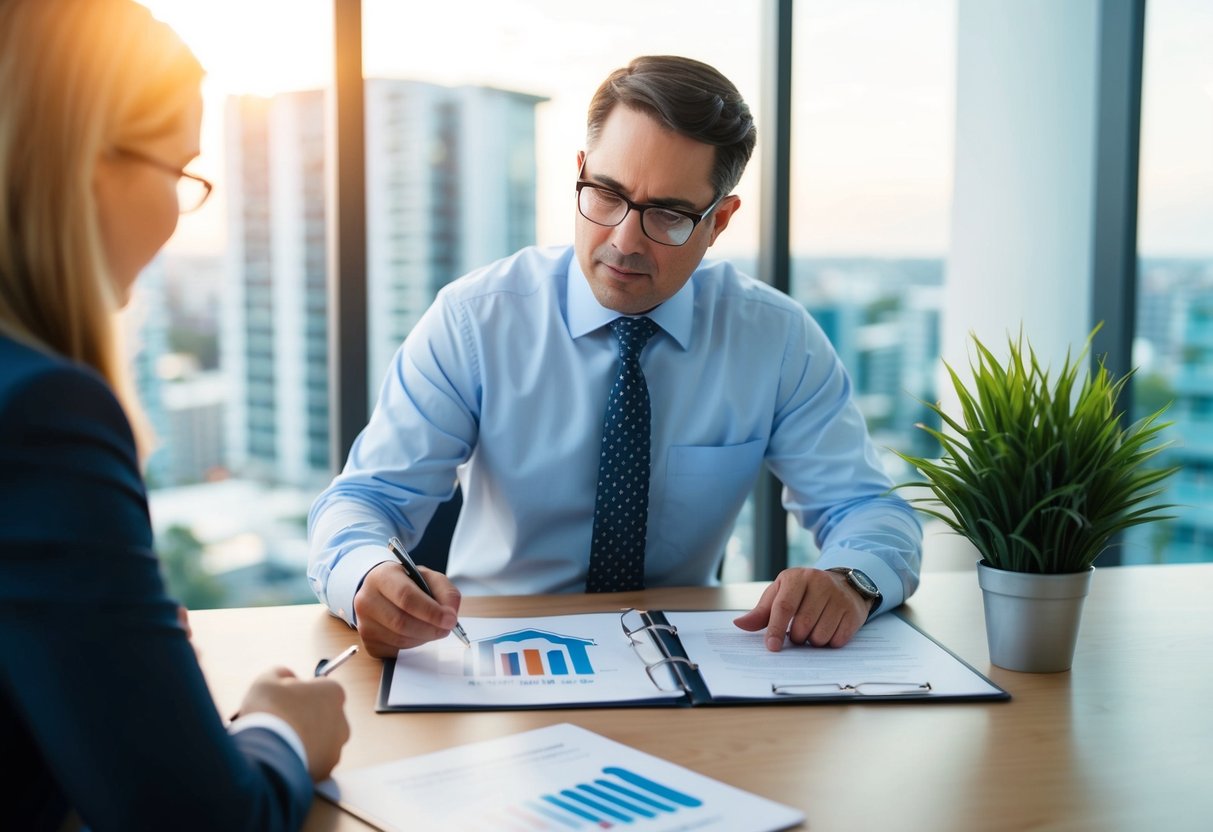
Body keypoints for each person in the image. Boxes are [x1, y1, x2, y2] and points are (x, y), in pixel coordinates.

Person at [308, 55, 922, 659]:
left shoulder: (775, 338)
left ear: (720, 221)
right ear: (580, 171)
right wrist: (366, 577)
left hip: (690, 661)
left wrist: (852, 580)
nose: (625, 242)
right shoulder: (476, 319)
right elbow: (366, 501)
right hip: (502, 657)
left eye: (669, 214)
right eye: (606, 194)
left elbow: (866, 508)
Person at [0, 1, 349, 829]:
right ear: (88, 160)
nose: (179, 212)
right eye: (182, 171)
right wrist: (281, 730)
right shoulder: (44, 415)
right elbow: (198, 819)